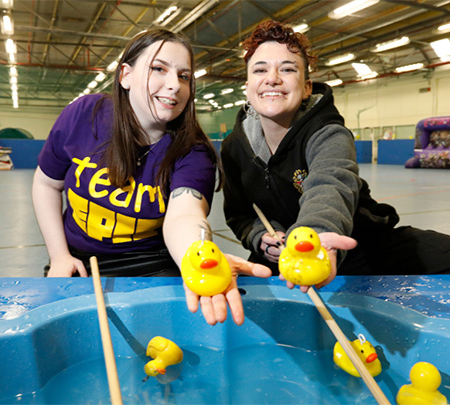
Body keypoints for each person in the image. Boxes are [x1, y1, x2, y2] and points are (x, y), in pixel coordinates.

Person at [220, 21, 450, 291]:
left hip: (347, 243)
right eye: (260, 69)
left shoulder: (327, 132)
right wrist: (259, 237)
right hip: (283, 256)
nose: (272, 78)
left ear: (306, 88)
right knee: (240, 296)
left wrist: (316, 237)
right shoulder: (234, 146)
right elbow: (239, 213)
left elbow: (330, 185)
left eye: (288, 69)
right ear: (248, 86)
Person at [32, 29, 271, 326]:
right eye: (159, 69)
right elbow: (47, 184)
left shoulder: (193, 152)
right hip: (78, 256)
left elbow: (185, 216)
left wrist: (196, 257)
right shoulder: (84, 115)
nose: (174, 85)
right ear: (126, 76)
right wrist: (58, 256)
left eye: (184, 76)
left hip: (149, 261)